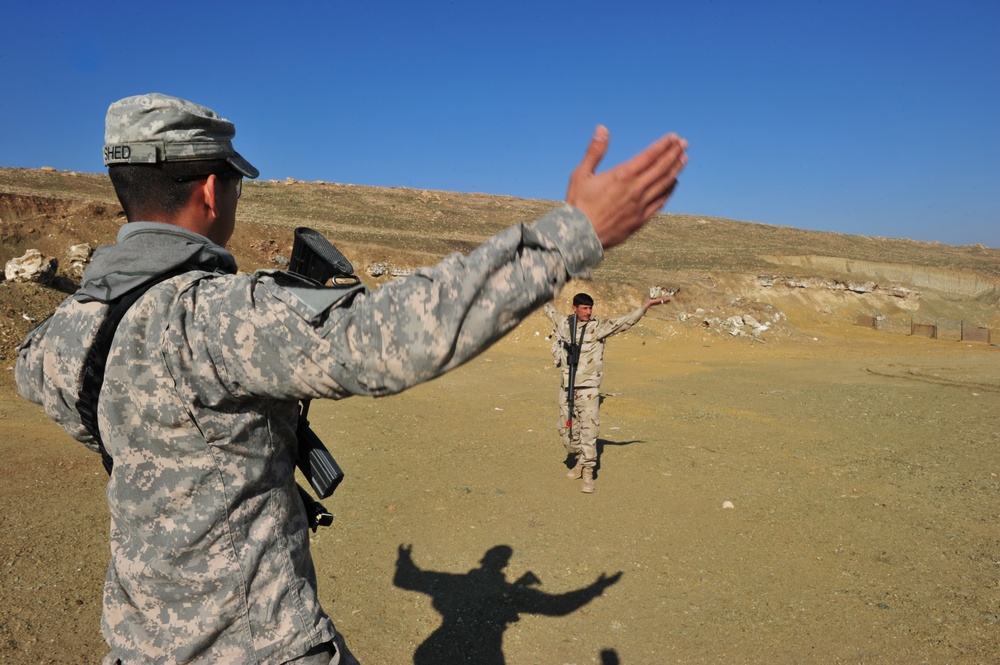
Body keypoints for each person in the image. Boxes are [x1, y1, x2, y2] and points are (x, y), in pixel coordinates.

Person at [15, 92, 687, 664]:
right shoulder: (215, 316)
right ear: (215, 189)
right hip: (257, 645)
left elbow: (65, 394)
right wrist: (570, 235)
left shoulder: (64, 334)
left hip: (137, 644)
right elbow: (391, 338)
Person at [544, 292, 670, 492]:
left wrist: (645, 306)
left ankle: (587, 472)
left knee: (589, 431)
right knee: (566, 433)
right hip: (566, 387)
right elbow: (548, 308)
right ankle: (578, 459)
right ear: (574, 308)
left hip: (589, 389)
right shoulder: (564, 324)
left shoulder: (598, 327)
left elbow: (624, 322)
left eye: (590, 308)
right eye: (584, 308)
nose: (588, 312)